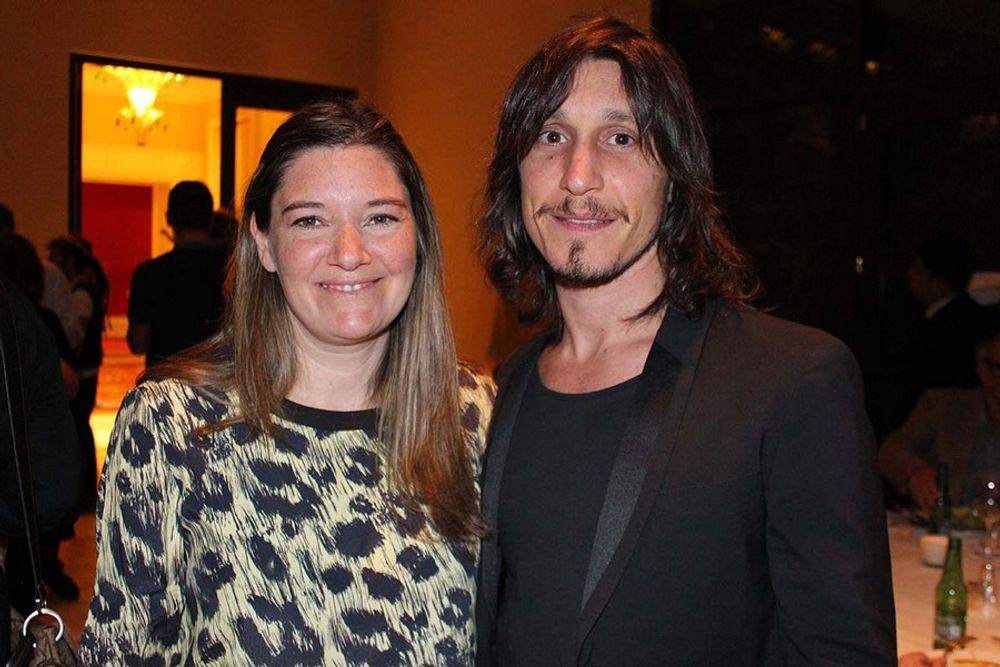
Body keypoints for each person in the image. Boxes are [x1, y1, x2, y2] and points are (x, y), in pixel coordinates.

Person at [475, 17, 895, 665]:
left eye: (620, 137)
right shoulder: (510, 385)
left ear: (675, 174)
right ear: (517, 174)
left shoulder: (793, 381)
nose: (578, 176)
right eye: (551, 136)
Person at [81, 99, 495, 665]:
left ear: (417, 234)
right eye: (309, 221)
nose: (349, 253)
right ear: (264, 243)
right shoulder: (173, 428)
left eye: (380, 217)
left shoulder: (475, 412)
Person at [879, 326, 1000, 509]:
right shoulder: (943, 406)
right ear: (984, 371)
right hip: (949, 521)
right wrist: (916, 473)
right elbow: (889, 452)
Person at [126, 180, 228, 366]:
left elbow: (138, 343)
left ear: (169, 218)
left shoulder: (149, 274)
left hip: (167, 377)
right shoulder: (234, 268)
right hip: (222, 376)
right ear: (211, 219)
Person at [48, 236, 108, 508]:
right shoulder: (81, 288)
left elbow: (78, 337)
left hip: (82, 371)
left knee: (79, 429)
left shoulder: (81, 292)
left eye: (57, 257)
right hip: (83, 369)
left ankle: (85, 491)